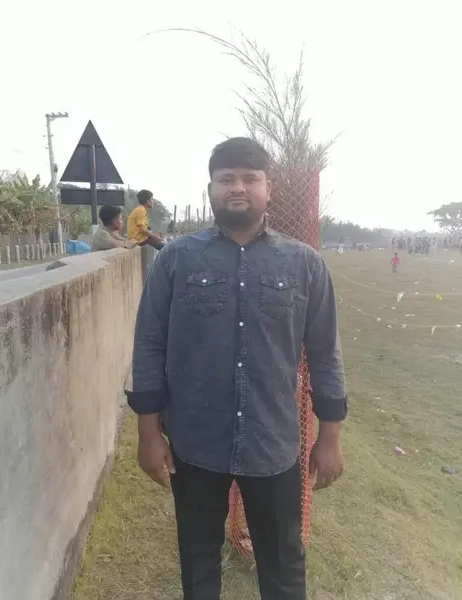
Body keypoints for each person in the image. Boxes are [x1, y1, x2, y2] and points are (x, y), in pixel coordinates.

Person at [126, 137, 347, 600]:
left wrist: (330, 438)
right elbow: (149, 346)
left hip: (273, 445)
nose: (238, 188)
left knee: (284, 568)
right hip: (194, 444)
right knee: (198, 563)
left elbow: (325, 353)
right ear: (210, 188)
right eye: (226, 179)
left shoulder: (304, 264)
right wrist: (148, 434)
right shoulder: (176, 260)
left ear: (269, 188)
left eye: (250, 178)